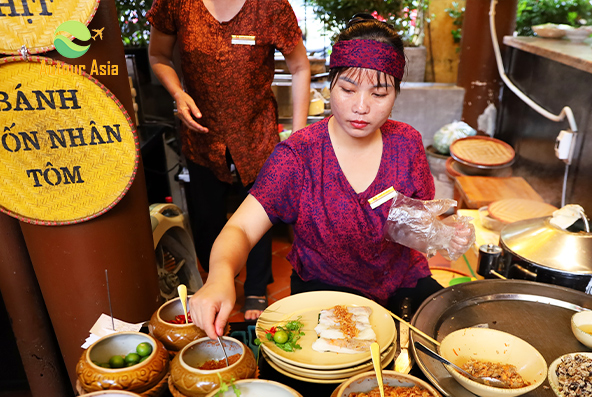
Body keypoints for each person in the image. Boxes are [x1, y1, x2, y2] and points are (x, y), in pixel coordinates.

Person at [189, 14, 472, 339]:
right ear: (331, 84)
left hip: (400, 281)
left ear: (396, 92)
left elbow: (411, 221)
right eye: (348, 89)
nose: (361, 107)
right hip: (325, 286)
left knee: (454, 335)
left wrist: (441, 233)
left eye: (379, 94)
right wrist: (220, 276)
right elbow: (240, 227)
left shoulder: (406, 143)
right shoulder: (299, 156)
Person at [147, 0, 310, 320]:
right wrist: (178, 93)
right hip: (202, 132)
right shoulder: (176, 3)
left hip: (256, 129)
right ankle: (220, 279)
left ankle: (256, 288)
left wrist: (299, 137)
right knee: (207, 218)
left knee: (261, 212)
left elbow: (300, 66)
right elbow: (158, 55)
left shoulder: (271, 6)